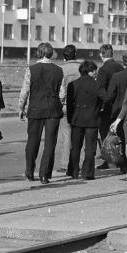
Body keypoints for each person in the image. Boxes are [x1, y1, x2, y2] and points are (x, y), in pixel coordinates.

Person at [19, 42, 63, 184]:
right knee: (50, 143)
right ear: (51, 53)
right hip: (53, 109)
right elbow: (62, 93)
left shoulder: (31, 69)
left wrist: (21, 107)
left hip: (35, 109)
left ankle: (30, 171)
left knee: (33, 141)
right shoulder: (58, 70)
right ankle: (44, 174)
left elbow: (25, 91)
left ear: (38, 53)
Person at [66, 59, 102, 181]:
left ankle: (73, 171)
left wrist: (70, 119)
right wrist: (99, 107)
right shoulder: (97, 84)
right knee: (90, 148)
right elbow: (106, 97)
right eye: (95, 71)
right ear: (91, 71)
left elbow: (70, 104)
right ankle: (87, 173)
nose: (96, 73)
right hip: (92, 119)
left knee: (75, 147)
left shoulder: (73, 84)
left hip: (77, 118)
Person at [54, 44, 79, 172]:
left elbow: (59, 90)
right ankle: (79, 162)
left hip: (65, 106)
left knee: (66, 135)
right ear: (76, 54)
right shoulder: (82, 68)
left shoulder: (60, 70)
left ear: (64, 56)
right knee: (80, 136)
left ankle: (65, 163)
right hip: (81, 107)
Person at [96, 44, 124, 148]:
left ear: (101, 54)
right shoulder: (120, 67)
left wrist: (104, 101)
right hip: (121, 105)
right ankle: (119, 156)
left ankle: (109, 159)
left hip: (108, 106)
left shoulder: (103, 69)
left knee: (105, 133)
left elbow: (100, 88)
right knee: (119, 133)